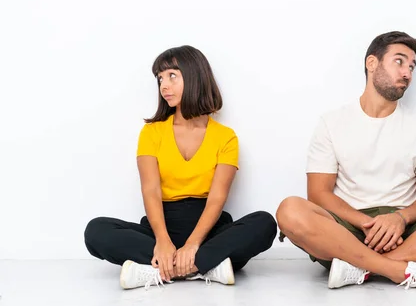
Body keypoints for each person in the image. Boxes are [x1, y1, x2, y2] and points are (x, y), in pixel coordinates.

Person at [276, 32, 416, 291]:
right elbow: (318, 193)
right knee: (289, 210)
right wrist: (366, 224)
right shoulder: (332, 122)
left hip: (407, 231)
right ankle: (397, 270)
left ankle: (357, 267)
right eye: (399, 62)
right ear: (372, 63)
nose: (407, 74)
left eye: (412, 67)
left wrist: (400, 219)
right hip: (348, 230)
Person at [85, 45, 277, 290]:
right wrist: (163, 241)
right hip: (161, 226)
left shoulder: (226, 137)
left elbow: (218, 198)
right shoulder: (151, 132)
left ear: (195, 75)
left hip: (208, 231)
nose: (164, 86)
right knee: (96, 231)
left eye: (172, 76)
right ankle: (206, 266)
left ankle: (160, 269)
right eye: (160, 79)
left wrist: (193, 244)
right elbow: (151, 190)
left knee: (264, 223)